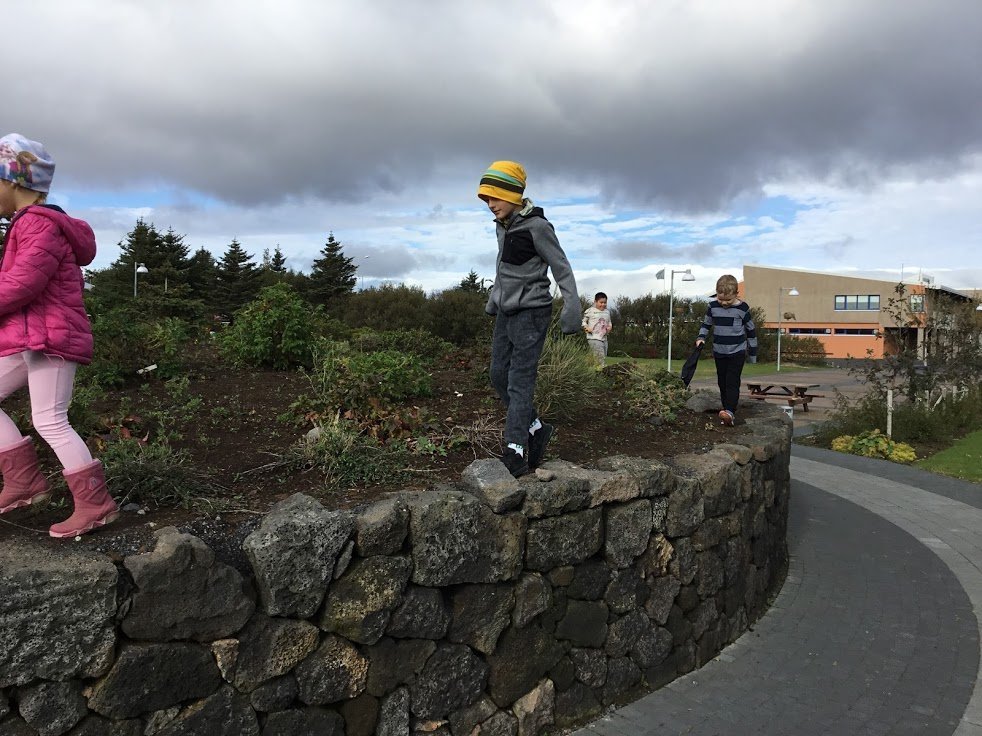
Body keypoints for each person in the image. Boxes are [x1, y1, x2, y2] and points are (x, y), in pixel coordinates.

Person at [0, 133, 118, 537]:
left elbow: (22, 283)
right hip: (29, 338)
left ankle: (96, 504)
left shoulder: (37, 224)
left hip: (50, 339)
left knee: (50, 419)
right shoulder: (28, 223)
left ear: (15, 182)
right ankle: (23, 482)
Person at [479, 160, 580, 477]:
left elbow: (562, 267)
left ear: (513, 194)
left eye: (495, 197)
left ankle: (516, 452)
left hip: (532, 312)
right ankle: (535, 428)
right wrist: (495, 298)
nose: (490, 204)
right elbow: (502, 265)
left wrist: (572, 307)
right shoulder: (503, 225)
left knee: (520, 381)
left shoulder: (538, 227)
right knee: (498, 375)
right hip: (506, 311)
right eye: (486, 198)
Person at [695, 274, 757, 426]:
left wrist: (753, 354)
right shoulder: (712, 307)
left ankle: (730, 411)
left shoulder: (743, 308)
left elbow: (751, 331)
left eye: (728, 300)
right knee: (722, 381)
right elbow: (706, 324)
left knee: (732, 381)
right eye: (720, 299)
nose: (723, 303)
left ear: (736, 294)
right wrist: (701, 337)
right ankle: (726, 411)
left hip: (737, 351)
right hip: (719, 351)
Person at [582, 291, 613, 367]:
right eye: (601, 302)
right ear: (595, 301)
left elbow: (609, 322)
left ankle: (591, 367)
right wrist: (587, 328)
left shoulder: (607, 312)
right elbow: (583, 322)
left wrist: (610, 327)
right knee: (600, 358)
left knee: (602, 356)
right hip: (593, 338)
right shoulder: (590, 311)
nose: (603, 304)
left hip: (604, 338)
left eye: (605, 303)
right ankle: (601, 371)